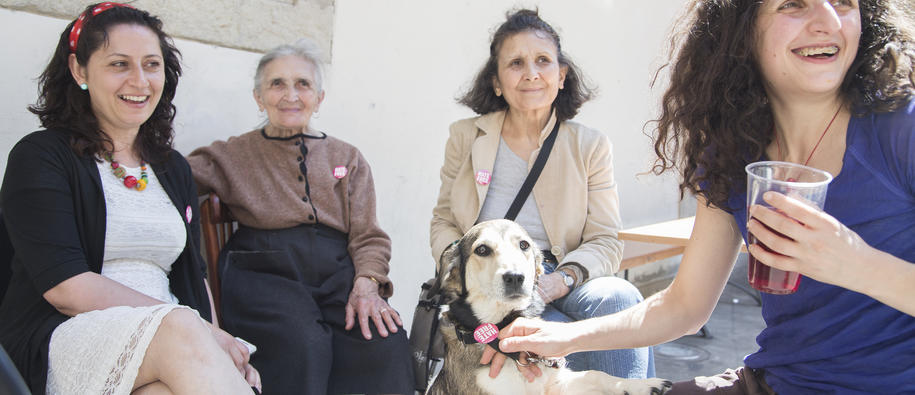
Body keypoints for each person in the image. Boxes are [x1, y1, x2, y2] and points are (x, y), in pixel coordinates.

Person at [495, 0, 915, 393]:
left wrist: (856, 264)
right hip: (775, 381)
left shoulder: (902, 128)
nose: (828, 21)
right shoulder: (733, 151)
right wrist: (564, 337)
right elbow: (685, 305)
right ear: (743, 28)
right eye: (793, 3)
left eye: (845, 1)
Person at [0, 3, 260, 394]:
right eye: (119, 64)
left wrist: (218, 345)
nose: (139, 81)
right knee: (179, 329)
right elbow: (65, 287)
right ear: (79, 70)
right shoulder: (41, 156)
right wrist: (202, 333)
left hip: (175, 345)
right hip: (69, 335)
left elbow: (193, 273)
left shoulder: (172, 167)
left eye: (151, 64)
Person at [430, 9, 654, 381]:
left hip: (562, 275)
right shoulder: (466, 137)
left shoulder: (591, 145)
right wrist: (466, 273)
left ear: (561, 75)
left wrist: (557, 281)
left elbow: (605, 239)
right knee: (556, 333)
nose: (531, 73)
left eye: (543, 61)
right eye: (516, 63)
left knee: (620, 299)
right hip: (492, 279)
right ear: (497, 81)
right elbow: (444, 220)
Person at [186, 38, 414, 394]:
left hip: (337, 272)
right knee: (303, 345)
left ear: (319, 99)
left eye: (302, 84)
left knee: (384, 342)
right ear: (258, 97)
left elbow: (368, 235)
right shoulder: (233, 154)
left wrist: (367, 284)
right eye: (277, 84)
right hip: (262, 271)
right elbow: (172, 176)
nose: (290, 95)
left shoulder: (348, 157)